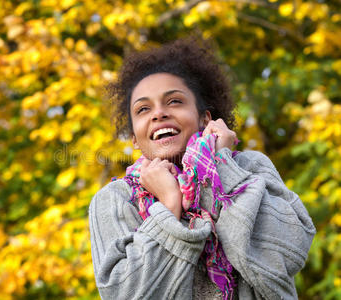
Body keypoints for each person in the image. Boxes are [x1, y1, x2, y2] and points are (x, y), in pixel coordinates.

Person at [88, 37, 316, 300]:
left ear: (204, 119)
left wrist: (221, 166)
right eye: (143, 109)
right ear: (135, 140)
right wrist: (169, 207)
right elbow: (124, 293)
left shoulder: (250, 168)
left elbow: (286, 255)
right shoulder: (115, 200)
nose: (158, 113)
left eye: (174, 101)